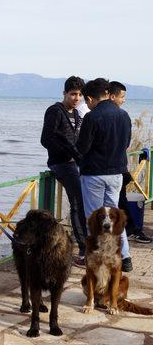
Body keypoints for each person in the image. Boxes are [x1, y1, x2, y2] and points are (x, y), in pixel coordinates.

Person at [76, 78, 133, 272]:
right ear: (108, 94)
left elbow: (82, 147)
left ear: (90, 98)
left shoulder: (92, 117)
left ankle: (96, 255)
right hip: (117, 173)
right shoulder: (124, 115)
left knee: (94, 218)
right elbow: (126, 143)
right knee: (115, 215)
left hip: (94, 174)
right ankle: (125, 256)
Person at [40, 76, 87, 267]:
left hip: (75, 163)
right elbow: (46, 139)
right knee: (77, 201)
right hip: (61, 163)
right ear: (65, 93)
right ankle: (84, 249)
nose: (77, 98)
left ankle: (82, 242)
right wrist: (67, 153)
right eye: (73, 94)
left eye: (80, 95)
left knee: (83, 201)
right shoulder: (54, 111)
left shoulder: (76, 114)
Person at [109, 81, 153, 243]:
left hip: (112, 168)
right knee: (120, 200)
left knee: (119, 200)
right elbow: (125, 143)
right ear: (112, 96)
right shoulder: (122, 116)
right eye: (122, 97)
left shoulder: (109, 115)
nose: (124, 100)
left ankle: (129, 231)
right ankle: (131, 231)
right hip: (116, 167)